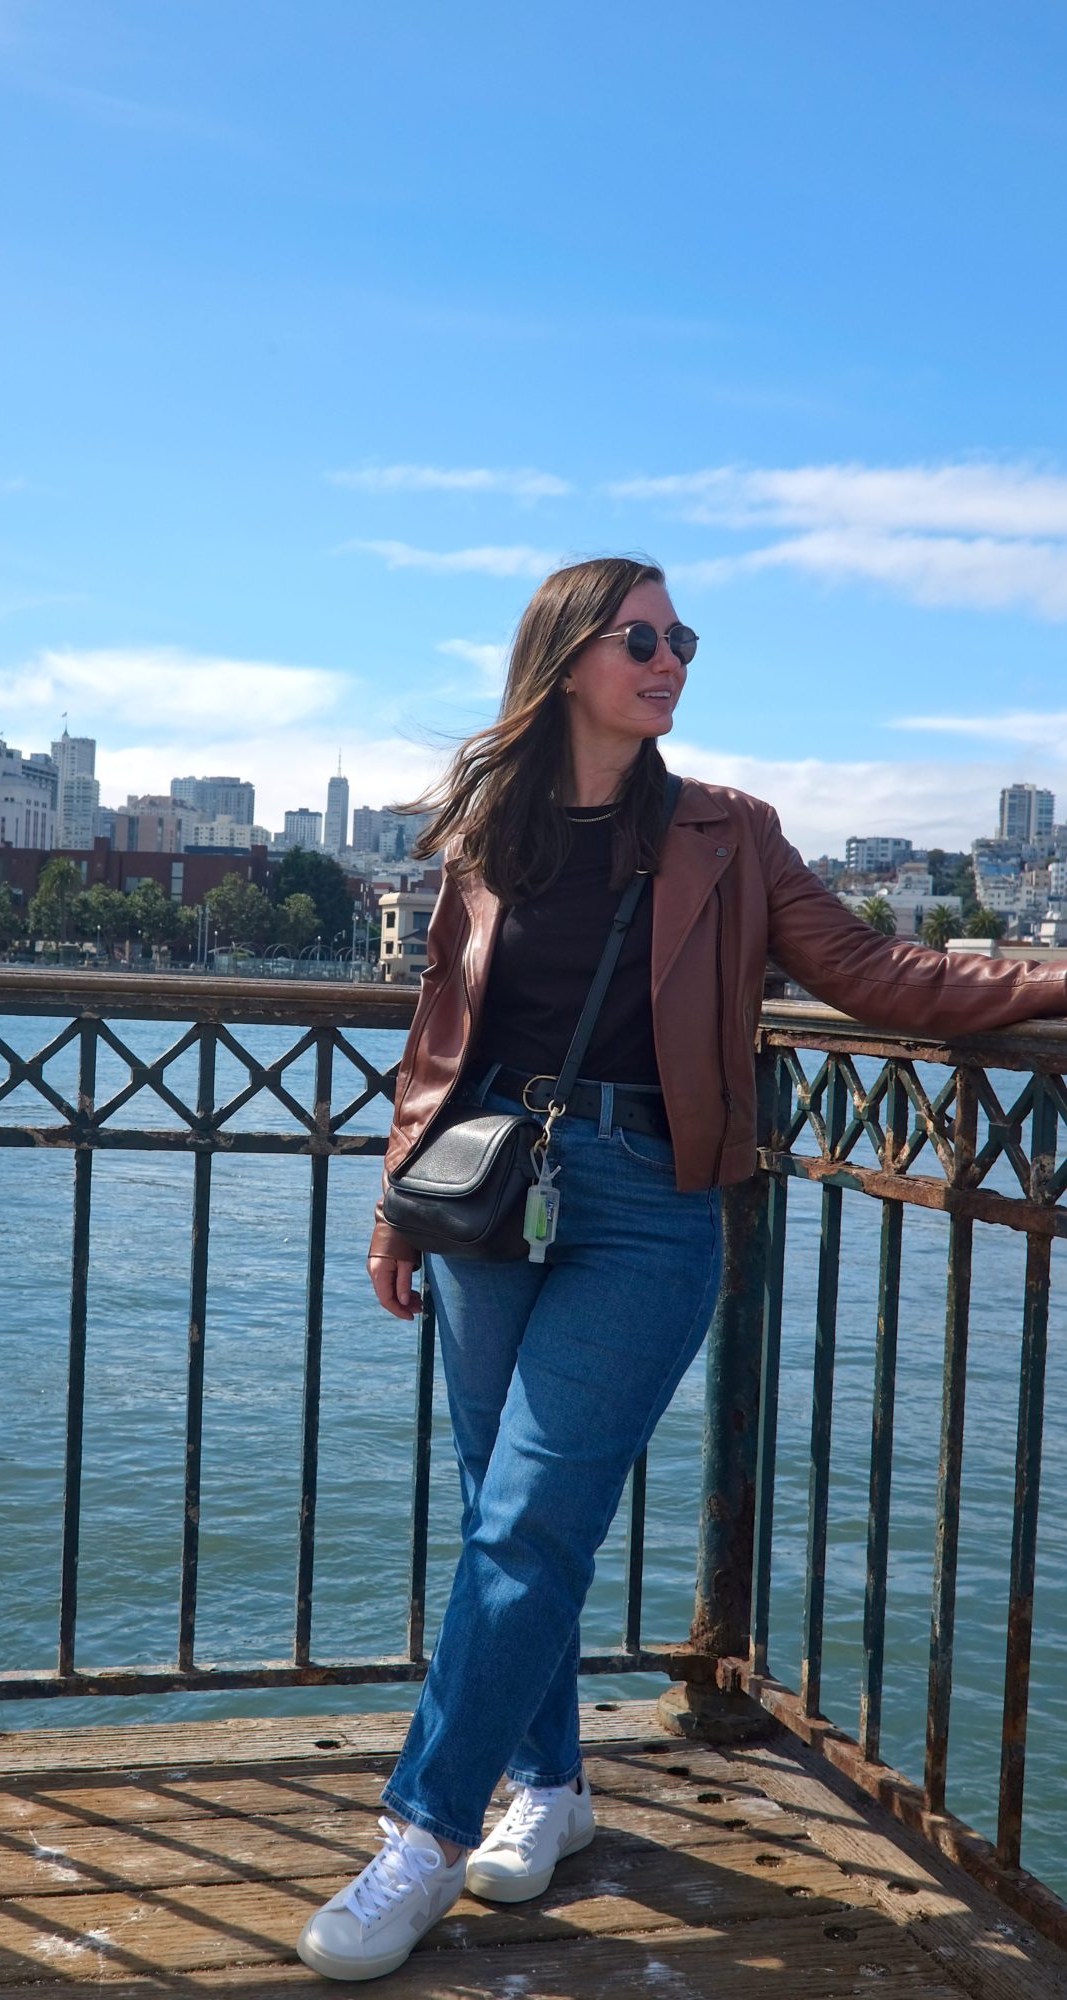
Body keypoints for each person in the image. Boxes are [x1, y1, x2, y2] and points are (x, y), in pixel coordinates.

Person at [295, 555, 1067, 1984]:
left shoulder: (727, 833)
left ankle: (420, 1834)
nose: (670, 661)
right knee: (500, 1514)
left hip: (648, 1201)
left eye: (681, 640)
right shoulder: (487, 835)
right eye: (641, 637)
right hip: (485, 1198)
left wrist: (1052, 977)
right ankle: (554, 1787)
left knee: (526, 1515)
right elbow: (436, 1039)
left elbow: (883, 978)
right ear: (567, 658)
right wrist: (396, 1207)